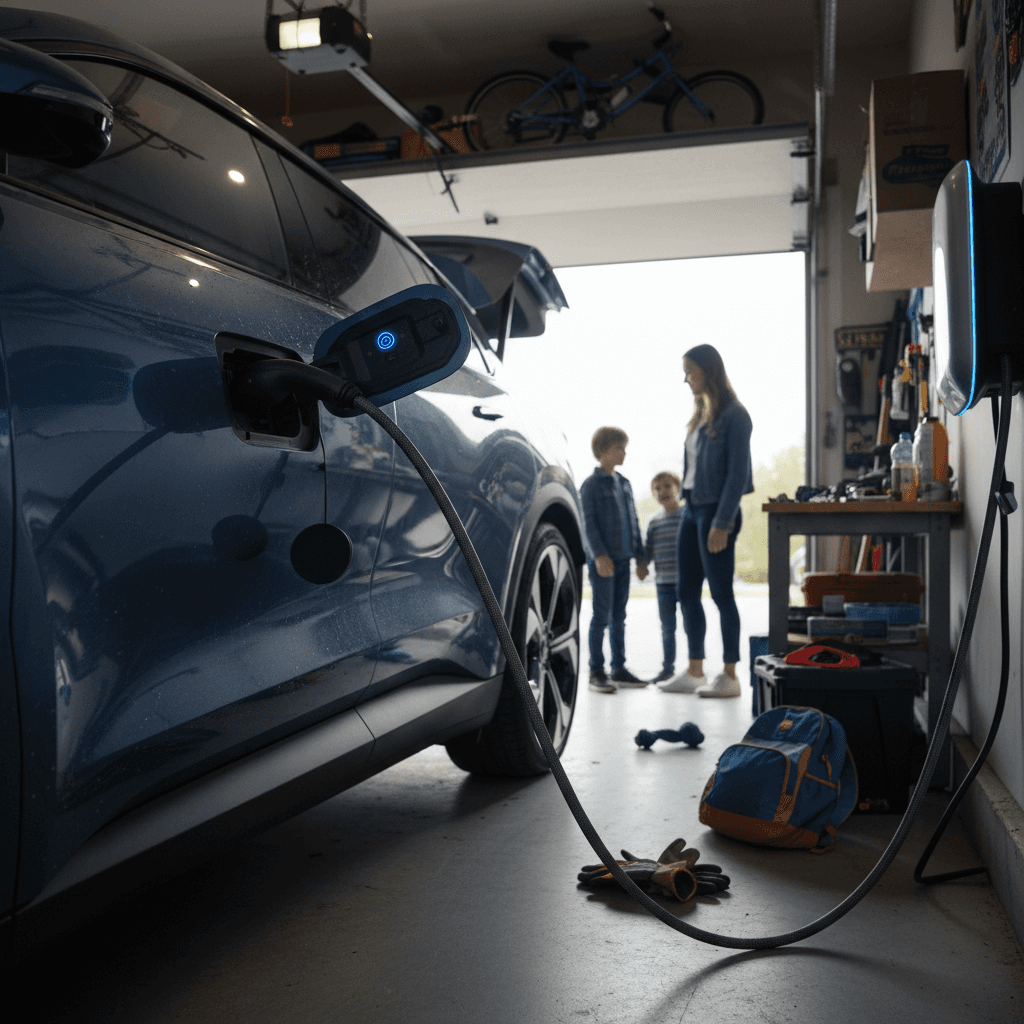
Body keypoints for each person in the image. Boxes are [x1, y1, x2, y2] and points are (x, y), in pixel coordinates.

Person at [660, 344, 753, 697]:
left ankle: (730, 676)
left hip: (717, 512)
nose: (686, 379)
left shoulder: (735, 415)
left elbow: (737, 473)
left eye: (691, 372)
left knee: (721, 593)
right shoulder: (700, 416)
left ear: (708, 370)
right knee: (686, 591)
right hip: (691, 509)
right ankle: (695, 670)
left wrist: (722, 522)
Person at [579, 426, 649, 693]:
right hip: (604, 563)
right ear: (602, 451)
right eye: (619, 448)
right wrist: (598, 554)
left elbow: (634, 522)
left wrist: (641, 559)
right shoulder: (591, 485)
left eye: (624, 448)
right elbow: (588, 524)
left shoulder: (625, 484)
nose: (624, 453)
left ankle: (619, 669)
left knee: (619, 615)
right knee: (601, 616)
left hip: (625, 561)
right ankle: (597, 671)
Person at [644, 472, 684, 684]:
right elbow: (648, 551)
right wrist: (642, 566)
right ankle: (667, 669)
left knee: (691, 625)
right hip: (663, 584)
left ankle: (696, 668)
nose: (662, 492)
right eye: (657, 489)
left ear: (678, 488)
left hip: (685, 582)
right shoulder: (654, 522)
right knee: (668, 629)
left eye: (667, 486)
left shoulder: (687, 515)